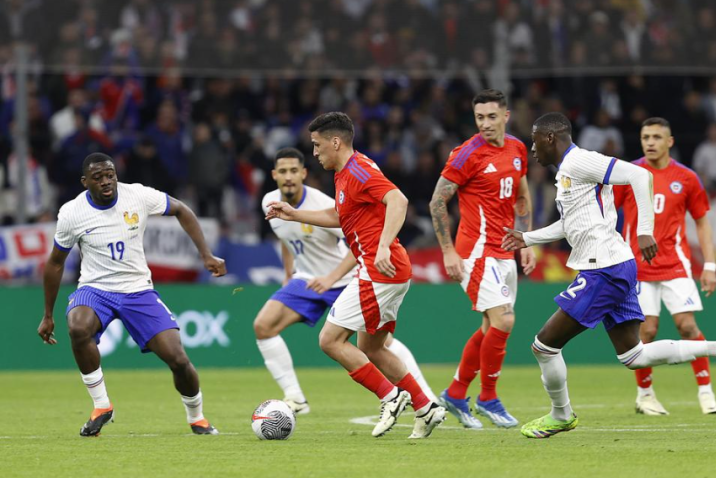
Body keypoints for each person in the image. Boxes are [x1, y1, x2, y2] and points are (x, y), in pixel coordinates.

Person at [501, 113, 716, 439]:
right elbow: (571, 225)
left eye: (535, 139)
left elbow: (639, 175)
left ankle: (561, 415)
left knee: (543, 346)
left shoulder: (582, 161)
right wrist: (528, 238)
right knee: (634, 355)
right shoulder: (568, 173)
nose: (532, 147)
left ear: (550, 138)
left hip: (604, 269)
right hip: (616, 265)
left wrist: (644, 231)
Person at [266, 112, 446, 439]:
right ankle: (426, 407)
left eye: (318, 145)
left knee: (329, 340)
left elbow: (398, 200)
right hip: (387, 269)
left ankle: (391, 397)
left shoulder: (359, 170)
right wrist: (295, 213)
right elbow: (338, 215)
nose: (316, 152)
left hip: (380, 269)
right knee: (373, 347)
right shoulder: (344, 173)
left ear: (336, 142)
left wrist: (382, 246)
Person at [37, 153, 227, 437]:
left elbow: (182, 210)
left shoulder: (137, 195)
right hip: (95, 289)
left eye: (110, 174)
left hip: (138, 289)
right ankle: (102, 406)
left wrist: (205, 253)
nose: (106, 181)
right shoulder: (72, 213)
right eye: (98, 177)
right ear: (84, 182)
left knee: (177, 358)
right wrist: (48, 315)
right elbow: (55, 263)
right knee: (78, 327)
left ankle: (197, 417)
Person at [429, 89, 535, 429]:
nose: (485, 124)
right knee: (504, 320)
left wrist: (528, 240)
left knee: (491, 326)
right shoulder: (466, 154)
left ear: (506, 115)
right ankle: (488, 397)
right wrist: (448, 251)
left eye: (491, 116)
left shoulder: (518, 148)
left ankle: (456, 393)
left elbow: (521, 193)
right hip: (474, 251)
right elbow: (436, 202)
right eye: (479, 118)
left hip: (505, 251)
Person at [613, 117, 716, 415]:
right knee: (646, 332)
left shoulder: (686, 178)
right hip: (637, 267)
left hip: (675, 264)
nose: (650, 142)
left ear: (669, 142)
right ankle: (645, 395)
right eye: (645, 136)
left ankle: (706, 391)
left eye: (656, 137)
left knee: (687, 326)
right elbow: (608, 211)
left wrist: (709, 265)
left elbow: (701, 223)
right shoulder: (629, 173)